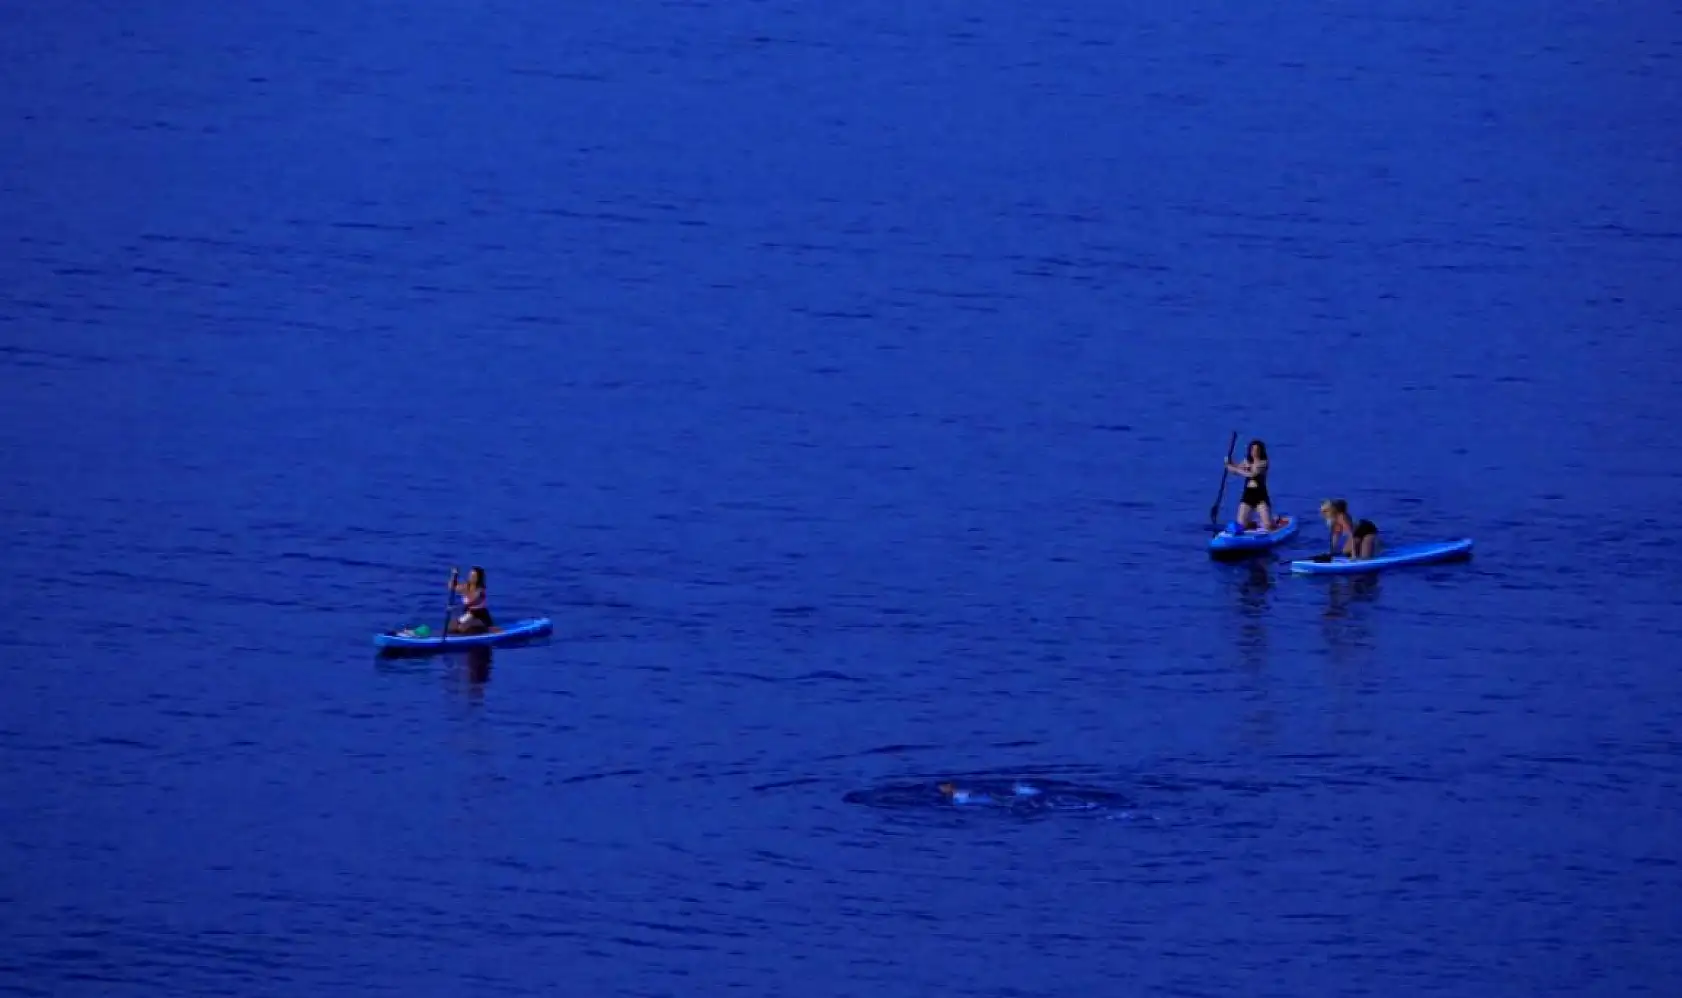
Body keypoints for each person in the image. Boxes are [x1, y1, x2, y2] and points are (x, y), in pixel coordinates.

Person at [1223, 439, 1274, 530]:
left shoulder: (1263, 463)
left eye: (1257, 450)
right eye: (1252, 450)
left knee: (1268, 526)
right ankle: (1254, 524)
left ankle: (1271, 523)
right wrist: (1229, 463)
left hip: (1260, 496)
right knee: (1241, 524)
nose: (1254, 452)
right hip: (1248, 495)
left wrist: (1234, 468)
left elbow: (1252, 474)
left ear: (1261, 451)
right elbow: (1237, 468)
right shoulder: (1246, 461)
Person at [447, 566, 495, 633]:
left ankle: (484, 630)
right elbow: (451, 586)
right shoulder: (466, 586)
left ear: (478, 578)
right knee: (451, 626)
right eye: (470, 575)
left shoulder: (480, 589)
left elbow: (472, 598)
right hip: (468, 614)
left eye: (474, 576)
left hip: (480, 617)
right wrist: (454, 575)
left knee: (463, 628)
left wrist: (463, 591)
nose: (471, 577)